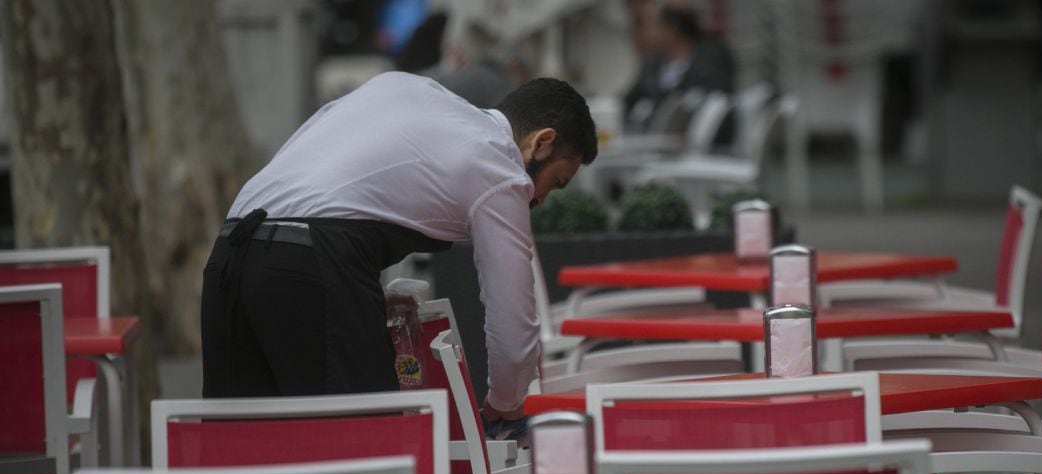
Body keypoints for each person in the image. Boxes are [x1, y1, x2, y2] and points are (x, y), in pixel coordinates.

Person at [201, 73, 597, 431]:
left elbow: (319, 188)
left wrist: (355, 293)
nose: (540, 199)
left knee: (241, 453)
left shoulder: (407, 89)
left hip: (232, 253)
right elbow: (513, 317)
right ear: (541, 142)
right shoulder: (499, 166)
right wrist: (506, 403)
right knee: (368, 454)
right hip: (312, 261)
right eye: (556, 181)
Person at [623, 2, 735, 139]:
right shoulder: (651, 66)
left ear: (671, 29)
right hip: (654, 146)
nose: (644, 30)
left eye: (650, 23)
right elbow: (628, 105)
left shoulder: (712, 60)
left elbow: (719, 107)